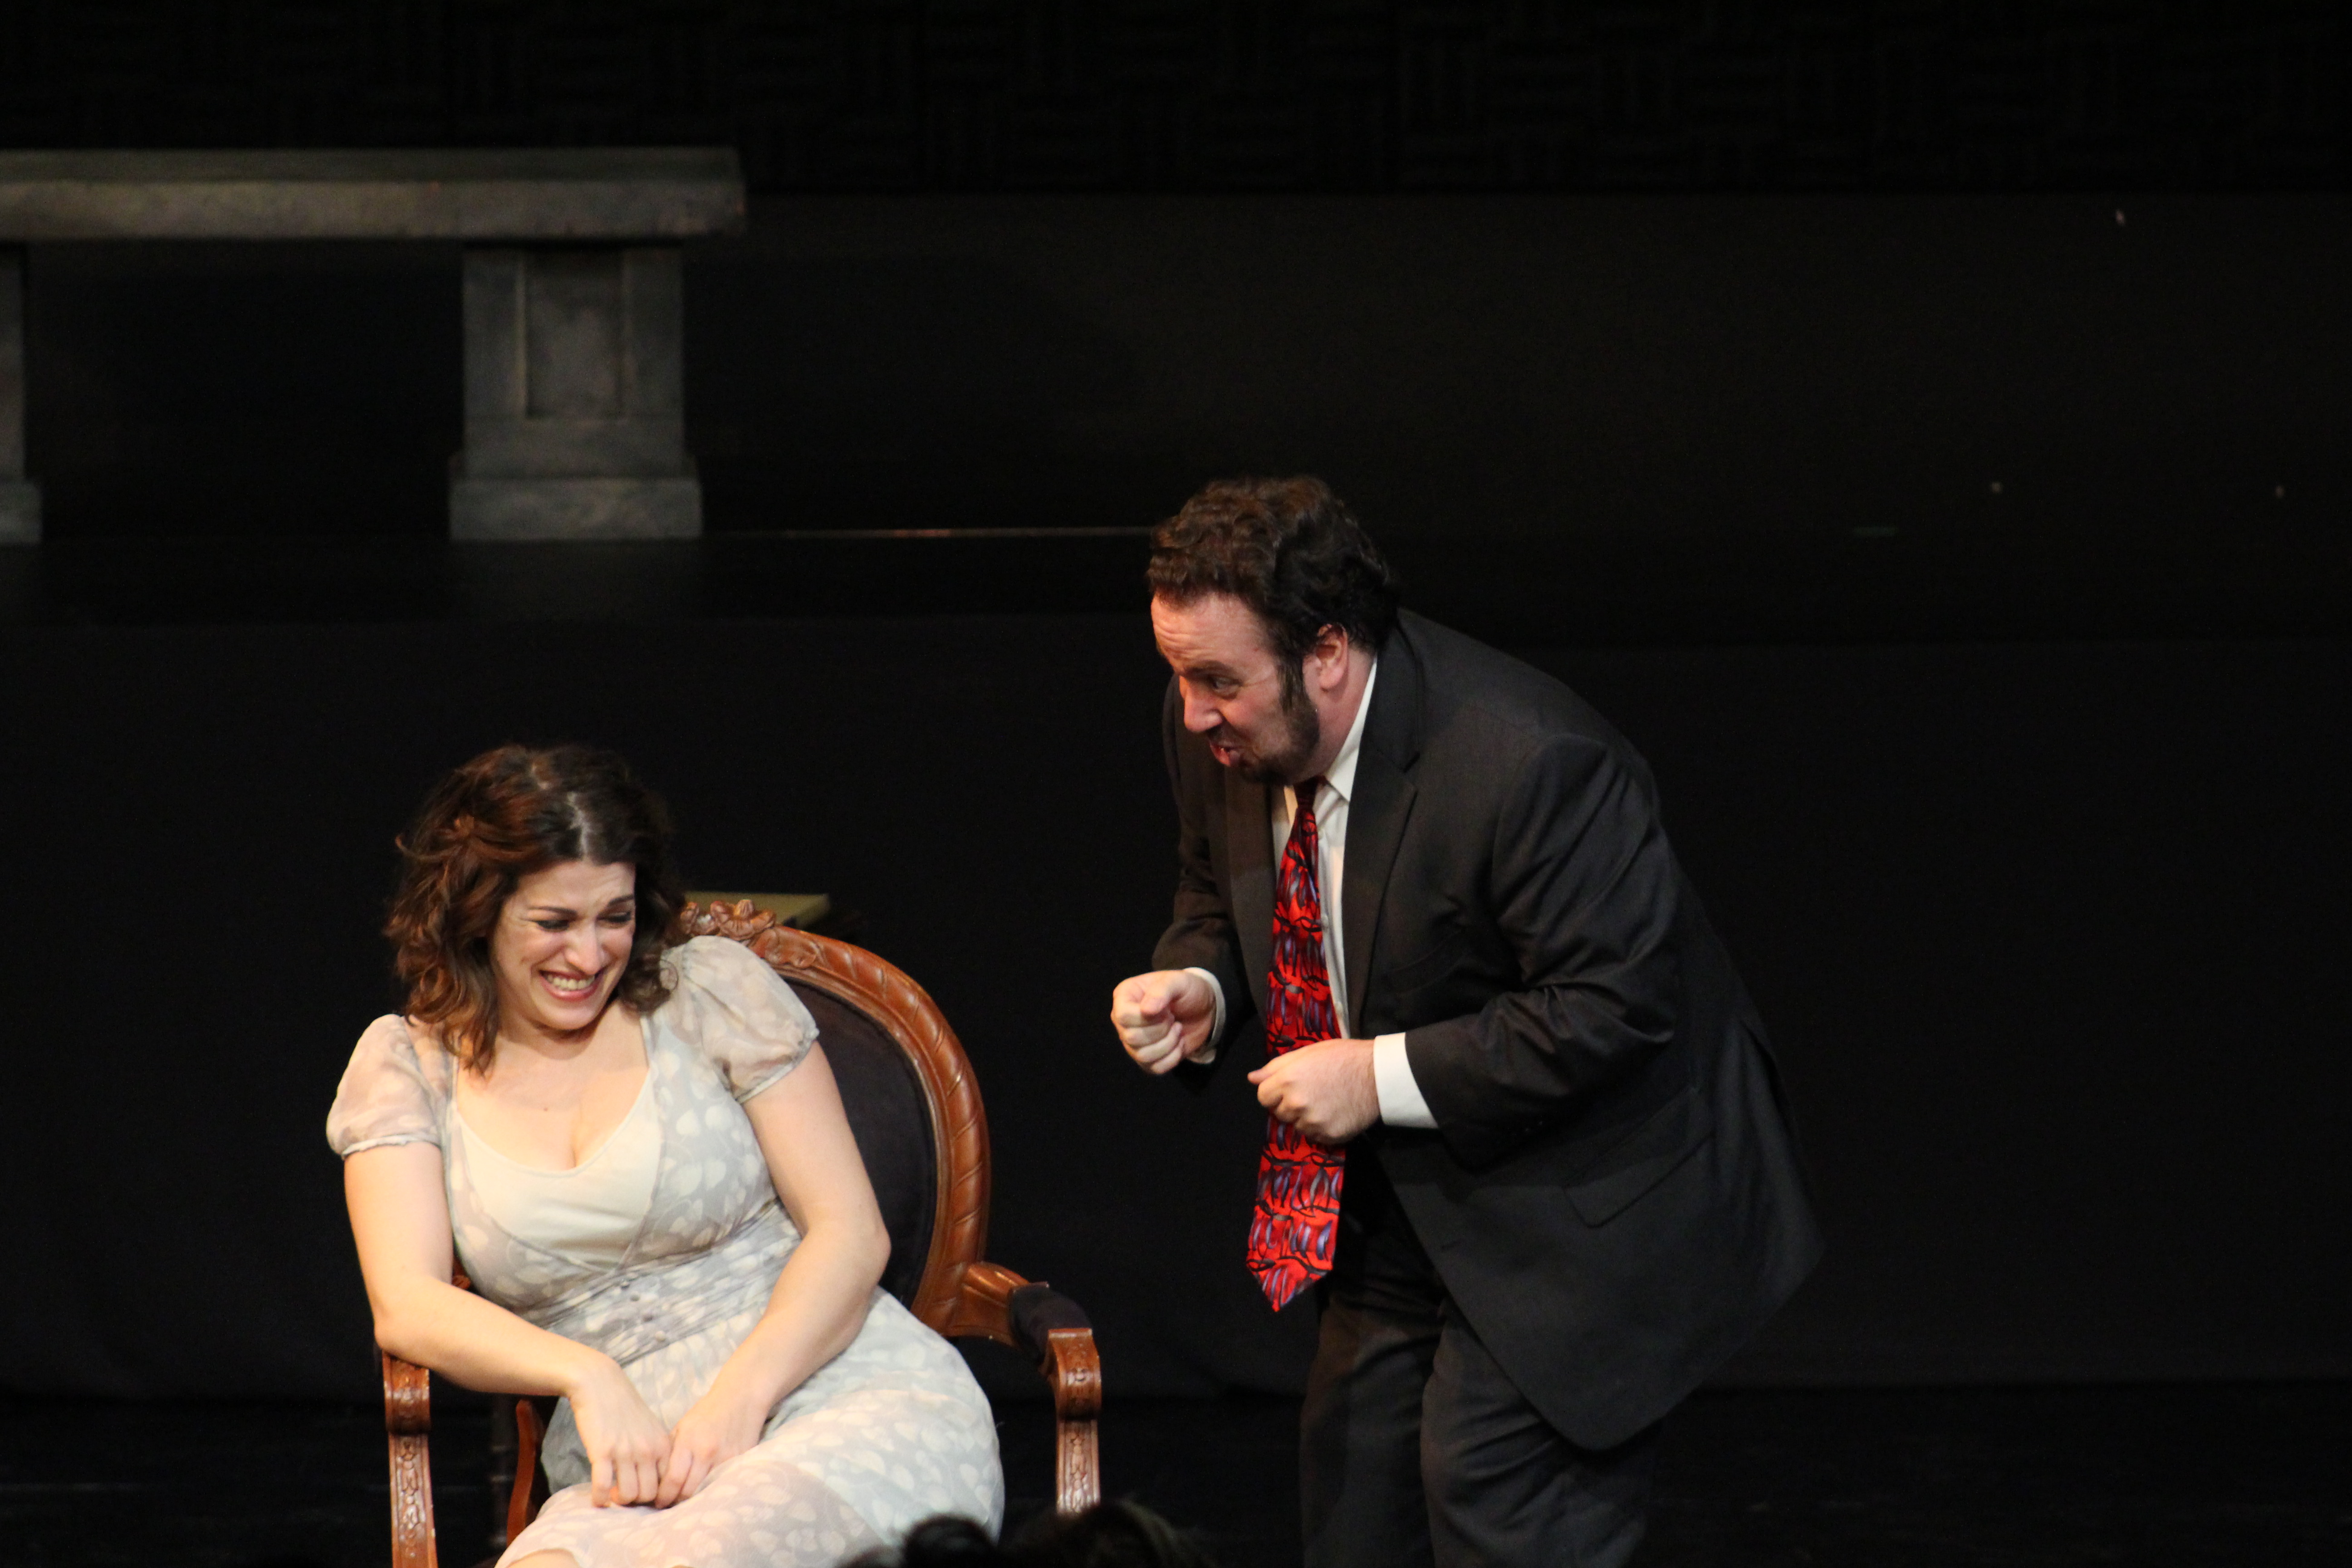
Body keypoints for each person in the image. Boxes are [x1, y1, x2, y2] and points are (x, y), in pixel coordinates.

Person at [1108, 477, 1823, 1568]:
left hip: (1580, 1198)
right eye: (1179, 673)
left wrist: (1372, 1079)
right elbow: (1222, 890)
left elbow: (1613, 1006)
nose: (1194, 708)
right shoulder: (1220, 726)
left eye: (1218, 680)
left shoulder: (1529, 761)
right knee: (1357, 1513)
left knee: (1492, 1499)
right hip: (1404, 1198)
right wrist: (1201, 982)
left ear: (1327, 652)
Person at [329, 744, 1002, 1568]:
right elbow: (408, 1302)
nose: (589, 957)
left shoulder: (708, 994)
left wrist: (738, 1402)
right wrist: (588, 1376)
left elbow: (851, 1233)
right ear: (477, 913)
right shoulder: (409, 1066)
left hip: (836, 1394)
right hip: (630, 1462)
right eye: (554, 923)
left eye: (614, 917)